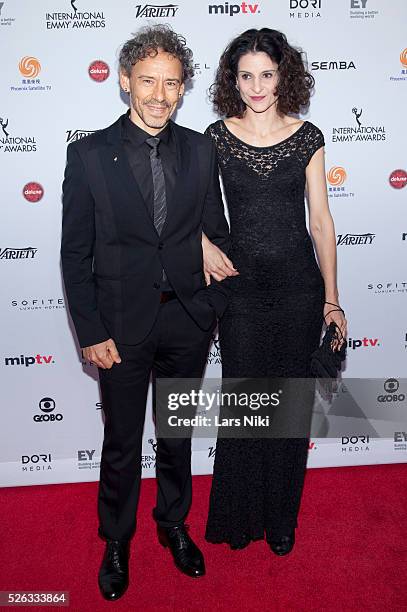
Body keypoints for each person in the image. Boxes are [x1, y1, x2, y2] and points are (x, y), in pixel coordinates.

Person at [61, 25, 230, 601]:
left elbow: (213, 227)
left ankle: (174, 525)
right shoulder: (87, 155)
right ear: (126, 81)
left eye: (173, 84)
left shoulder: (202, 149)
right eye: (149, 81)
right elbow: (74, 252)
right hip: (120, 327)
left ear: (184, 89)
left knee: (176, 435)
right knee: (122, 442)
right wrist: (90, 331)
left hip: (186, 319)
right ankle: (116, 539)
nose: (160, 95)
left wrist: (207, 292)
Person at [201, 28, 347, 553]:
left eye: (266, 74)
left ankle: (282, 519)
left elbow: (322, 222)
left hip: (298, 291)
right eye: (246, 76)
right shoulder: (215, 137)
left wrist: (332, 299)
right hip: (241, 293)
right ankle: (239, 517)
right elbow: (186, 206)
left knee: (289, 408)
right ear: (232, 81)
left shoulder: (308, 136)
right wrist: (199, 243)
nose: (256, 86)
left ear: (283, 75)